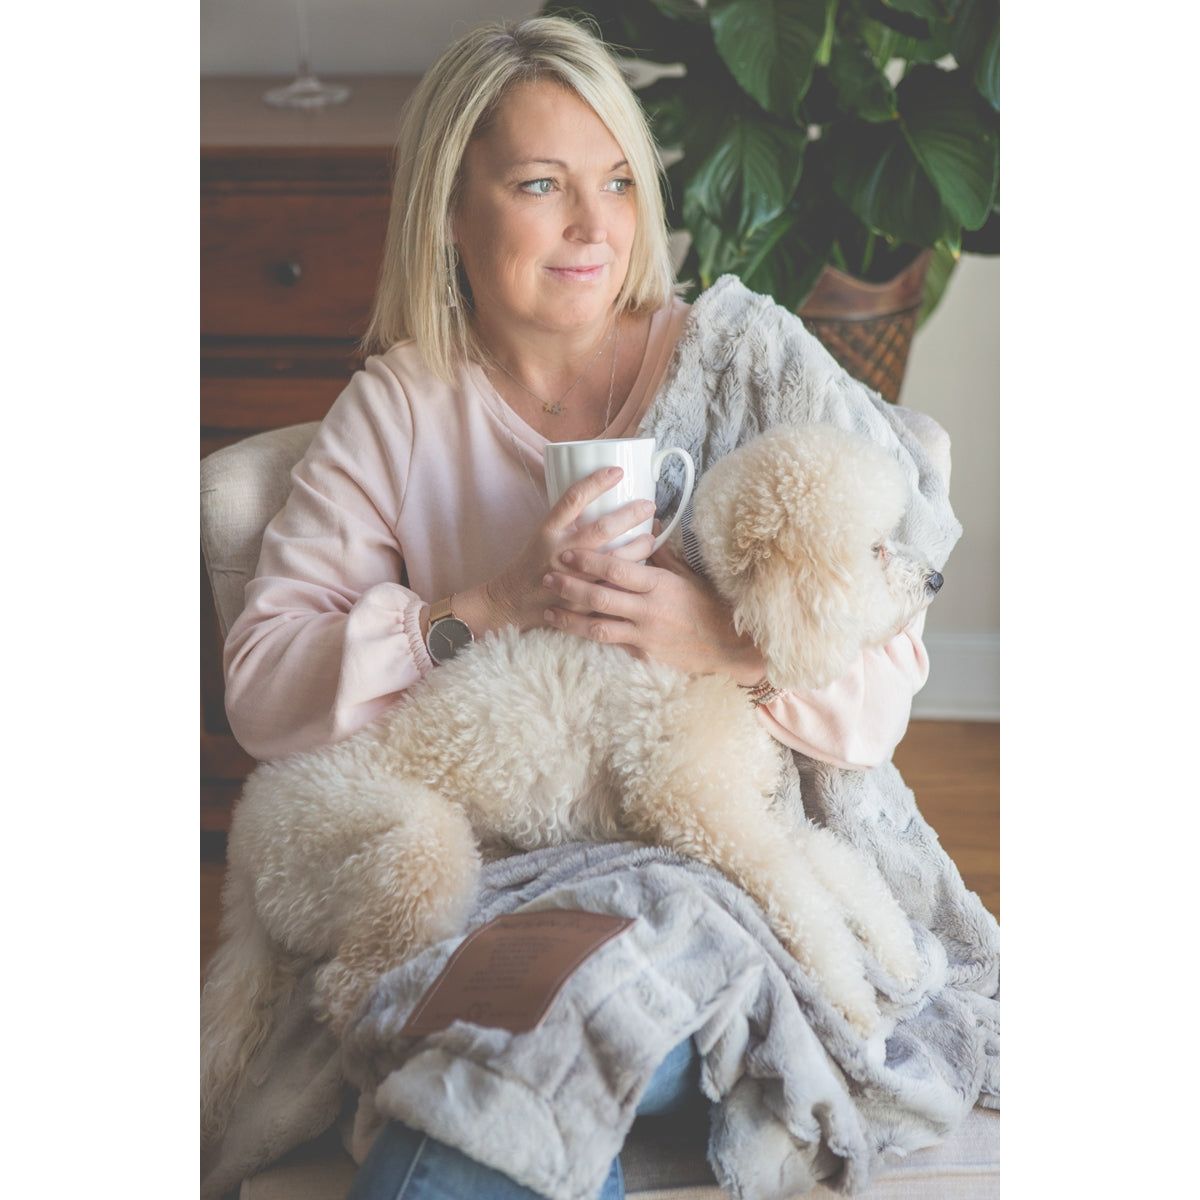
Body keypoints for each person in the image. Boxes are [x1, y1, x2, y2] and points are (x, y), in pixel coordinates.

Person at [221, 15, 931, 1200]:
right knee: (492, 1068)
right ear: (452, 208)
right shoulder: (403, 409)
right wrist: (480, 606)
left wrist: (720, 644)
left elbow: (883, 693)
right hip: (490, 881)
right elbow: (261, 686)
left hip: (703, 884)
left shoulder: (736, 364)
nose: (596, 227)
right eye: (542, 185)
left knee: (503, 1082)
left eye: (616, 183)